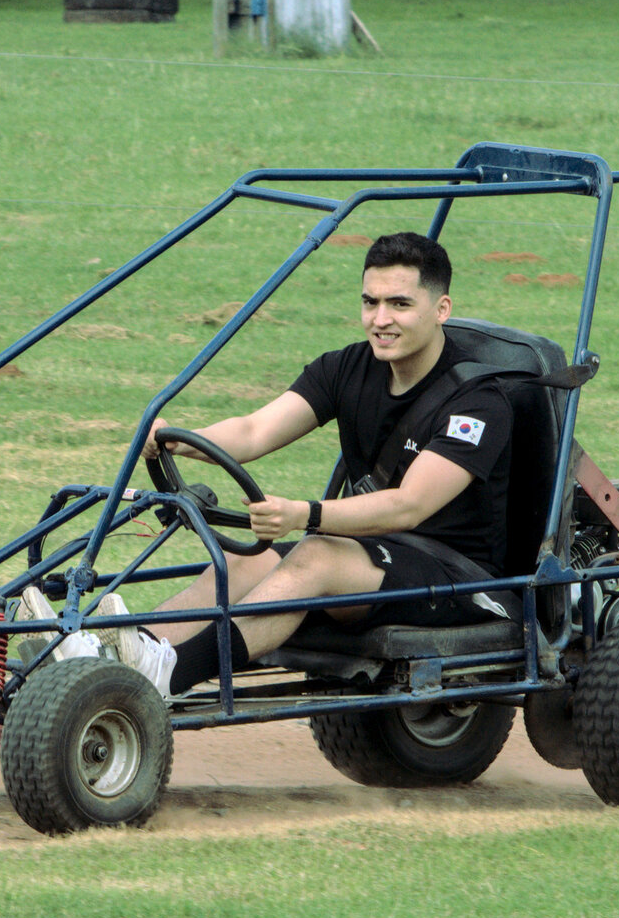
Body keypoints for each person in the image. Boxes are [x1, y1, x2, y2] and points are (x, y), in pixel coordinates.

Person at [99, 231, 517, 698]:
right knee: (241, 561)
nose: (380, 320)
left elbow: (408, 507)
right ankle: (117, 660)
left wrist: (305, 515)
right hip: (371, 555)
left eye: (399, 304)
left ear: (441, 309)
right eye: (370, 302)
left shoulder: (478, 403)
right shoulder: (347, 367)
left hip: (454, 579)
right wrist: (178, 441)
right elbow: (254, 431)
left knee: (315, 553)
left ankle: (163, 678)